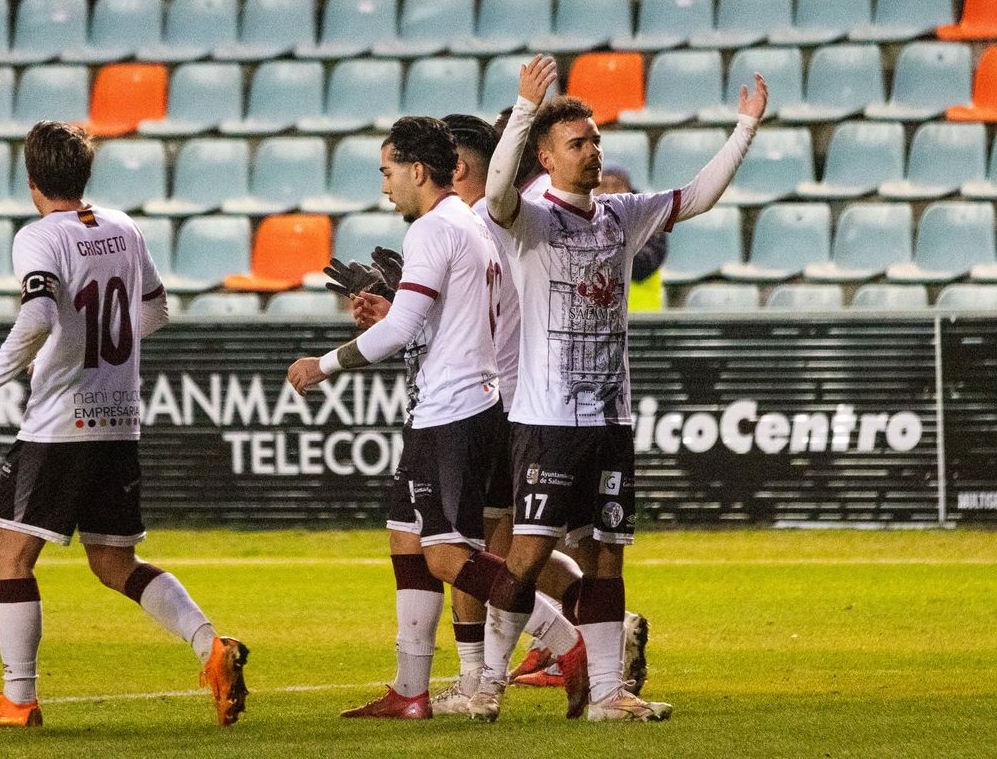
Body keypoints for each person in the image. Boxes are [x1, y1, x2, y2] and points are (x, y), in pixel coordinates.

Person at [480, 54, 768, 722]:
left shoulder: (620, 216)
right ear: (547, 158)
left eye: (595, 142)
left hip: (609, 421)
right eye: (577, 144)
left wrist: (744, 129)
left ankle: (607, 695)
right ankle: (486, 684)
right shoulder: (528, 219)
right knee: (525, 553)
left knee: (606, 555)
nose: (592, 153)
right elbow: (495, 195)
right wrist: (525, 110)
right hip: (546, 421)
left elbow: (695, 197)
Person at [0, 121, 249, 730]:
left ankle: (19, 697)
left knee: (12, 552)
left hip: (60, 423)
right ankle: (212, 649)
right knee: (113, 561)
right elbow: (157, 306)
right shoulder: (122, 226)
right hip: (118, 420)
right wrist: (106, 346)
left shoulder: (38, 237)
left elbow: (36, 314)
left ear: (31, 180)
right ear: (85, 175)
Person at [289, 116, 590, 721]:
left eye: (388, 172)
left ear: (417, 170)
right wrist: (395, 306)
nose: (385, 186)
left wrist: (322, 365)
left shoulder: (432, 229)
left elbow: (405, 329)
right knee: (407, 536)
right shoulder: (468, 225)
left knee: (449, 556)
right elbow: (433, 320)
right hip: (464, 401)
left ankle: (566, 642)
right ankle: (410, 690)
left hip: (451, 410)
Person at [597, 165, 666, 312]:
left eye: (616, 185)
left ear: (628, 190)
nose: (610, 192)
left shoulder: (649, 219)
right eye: (603, 186)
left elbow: (645, 263)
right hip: (599, 317)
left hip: (641, 317)